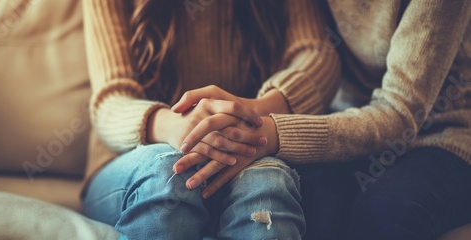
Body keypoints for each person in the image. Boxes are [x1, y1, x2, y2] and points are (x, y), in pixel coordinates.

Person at [174, 1, 471, 239]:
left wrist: (269, 131)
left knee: (387, 217)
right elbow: (316, 51)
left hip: (442, 136)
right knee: (293, 199)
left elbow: (398, 114)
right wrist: (251, 114)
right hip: (346, 126)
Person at [81, 0, 341, 239]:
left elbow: (317, 53)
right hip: (129, 158)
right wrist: (175, 126)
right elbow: (111, 101)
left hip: (245, 151)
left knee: (268, 180)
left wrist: (249, 115)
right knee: (169, 175)